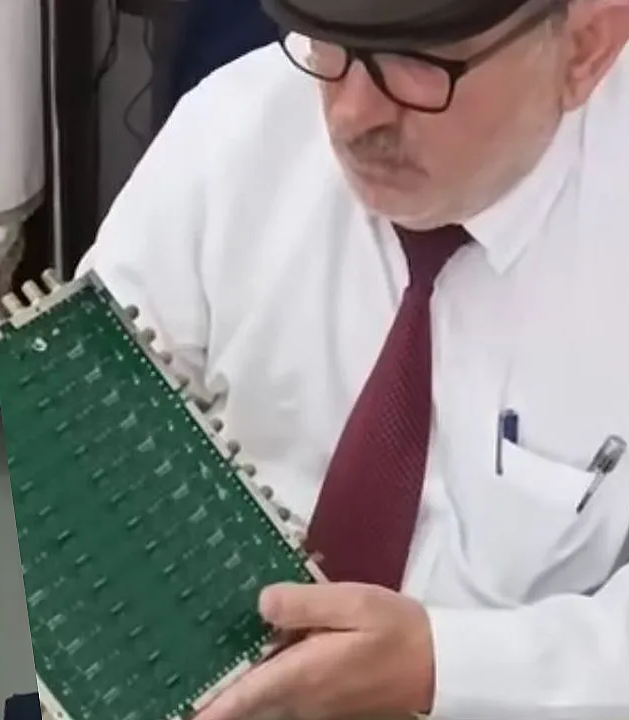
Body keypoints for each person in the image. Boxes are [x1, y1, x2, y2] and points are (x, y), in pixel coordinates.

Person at [78, 0, 629, 718]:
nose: (351, 116)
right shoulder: (236, 130)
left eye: (416, 62)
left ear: (584, 49)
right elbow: (86, 425)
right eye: (329, 44)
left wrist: (447, 668)